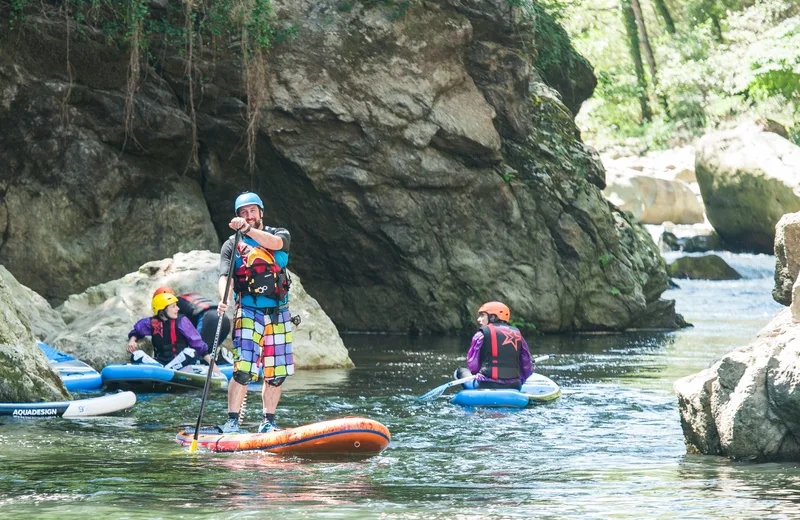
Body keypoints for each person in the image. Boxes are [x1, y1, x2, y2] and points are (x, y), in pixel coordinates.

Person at [217, 191, 294, 434]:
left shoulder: (280, 234)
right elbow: (224, 276)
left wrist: (247, 230)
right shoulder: (231, 245)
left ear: (261, 212)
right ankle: (232, 422)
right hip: (248, 310)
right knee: (243, 370)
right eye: (243, 213)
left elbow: (275, 246)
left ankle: (268, 422)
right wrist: (224, 298)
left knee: (276, 374)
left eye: (252, 211)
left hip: (278, 311)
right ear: (238, 215)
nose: (248, 216)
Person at [126, 292, 223, 376]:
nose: (177, 308)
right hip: (159, 363)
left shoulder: (182, 321)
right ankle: (163, 370)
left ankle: (164, 371)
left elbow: (199, 346)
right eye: (173, 306)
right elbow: (137, 331)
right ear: (162, 311)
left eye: (176, 305)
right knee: (136, 355)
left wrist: (214, 368)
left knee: (191, 352)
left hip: (179, 362)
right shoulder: (152, 323)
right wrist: (132, 340)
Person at [454, 301, 533, 390]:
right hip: (515, 385)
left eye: (482, 315)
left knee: (460, 371)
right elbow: (527, 366)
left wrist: (480, 374)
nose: (479, 319)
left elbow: (473, 366)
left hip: (485, 384)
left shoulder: (481, 335)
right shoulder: (518, 335)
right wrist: (520, 381)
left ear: (493, 317)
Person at [152, 287, 234, 365]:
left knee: (193, 355)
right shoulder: (185, 299)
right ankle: (218, 357)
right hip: (223, 319)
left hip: (208, 319)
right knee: (205, 353)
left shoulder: (172, 307)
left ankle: (217, 358)